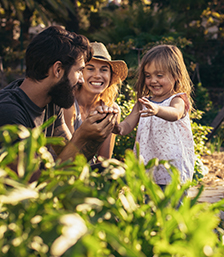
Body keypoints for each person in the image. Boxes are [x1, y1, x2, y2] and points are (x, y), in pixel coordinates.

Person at [0, 26, 119, 168]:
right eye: (80, 71)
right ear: (58, 70)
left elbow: (71, 161)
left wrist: (94, 137)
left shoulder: (51, 100)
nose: (81, 79)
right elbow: (36, 185)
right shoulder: (9, 113)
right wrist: (81, 136)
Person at [114, 44, 195, 188]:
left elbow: (175, 113)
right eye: (148, 76)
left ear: (176, 76)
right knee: (149, 206)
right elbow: (127, 125)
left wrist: (158, 109)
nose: (153, 80)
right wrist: (116, 128)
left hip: (173, 169)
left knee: (172, 207)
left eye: (159, 75)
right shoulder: (143, 103)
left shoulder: (177, 99)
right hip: (148, 168)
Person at [64, 42, 128, 161]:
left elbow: (104, 160)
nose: (97, 75)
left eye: (104, 70)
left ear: (110, 76)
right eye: (90, 69)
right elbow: (66, 156)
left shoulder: (111, 110)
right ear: (80, 73)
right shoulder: (68, 105)